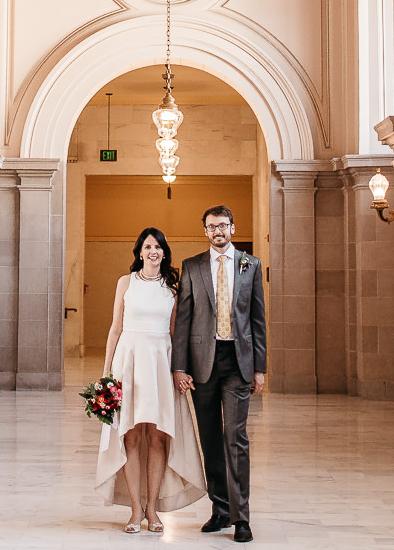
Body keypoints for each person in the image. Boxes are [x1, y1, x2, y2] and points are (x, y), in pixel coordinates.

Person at [95, 227, 207, 533]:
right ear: (140, 252)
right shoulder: (125, 283)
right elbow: (115, 328)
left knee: (158, 437)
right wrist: (106, 374)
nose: (153, 251)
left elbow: (176, 333)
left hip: (160, 362)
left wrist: (181, 370)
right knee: (131, 435)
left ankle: (153, 509)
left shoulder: (172, 288)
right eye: (148, 246)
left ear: (164, 252)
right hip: (128, 362)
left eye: (158, 246)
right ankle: (134, 511)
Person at [171, 206, 266, 545]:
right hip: (202, 363)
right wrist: (179, 367)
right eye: (211, 226)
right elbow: (183, 321)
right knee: (210, 438)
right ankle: (220, 509)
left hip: (238, 362)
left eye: (223, 225)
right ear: (205, 231)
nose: (218, 231)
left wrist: (260, 368)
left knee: (235, 437)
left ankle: (242, 518)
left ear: (232, 227)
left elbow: (257, 319)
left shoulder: (249, 265)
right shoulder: (192, 266)